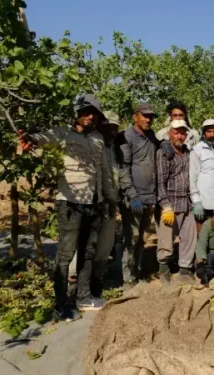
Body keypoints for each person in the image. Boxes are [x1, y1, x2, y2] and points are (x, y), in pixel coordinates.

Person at [18, 94, 115, 320]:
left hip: (95, 203)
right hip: (70, 203)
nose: (90, 117)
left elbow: (104, 172)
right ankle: (61, 304)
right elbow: (44, 138)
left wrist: (109, 199)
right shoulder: (64, 133)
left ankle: (83, 297)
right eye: (87, 112)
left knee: (88, 252)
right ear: (77, 112)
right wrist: (30, 139)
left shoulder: (98, 138)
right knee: (65, 254)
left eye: (95, 114)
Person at [68, 111, 122, 295]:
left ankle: (95, 281)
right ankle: (74, 284)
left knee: (105, 246)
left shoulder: (114, 149)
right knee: (85, 245)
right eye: (108, 128)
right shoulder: (90, 145)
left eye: (115, 128)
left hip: (109, 205)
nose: (112, 132)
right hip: (91, 203)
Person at [117, 102, 169, 282]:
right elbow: (123, 169)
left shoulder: (150, 135)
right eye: (144, 115)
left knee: (143, 238)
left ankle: (137, 272)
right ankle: (127, 278)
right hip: (134, 198)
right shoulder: (126, 137)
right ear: (135, 116)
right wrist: (132, 195)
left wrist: (163, 144)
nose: (148, 119)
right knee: (131, 239)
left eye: (151, 116)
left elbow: (155, 147)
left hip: (149, 197)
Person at [156, 119, 197, 281]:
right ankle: (164, 269)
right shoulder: (164, 153)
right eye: (176, 132)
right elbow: (160, 181)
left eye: (182, 132)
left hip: (187, 202)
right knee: (166, 239)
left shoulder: (188, 152)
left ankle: (185, 269)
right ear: (169, 134)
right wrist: (165, 205)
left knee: (189, 236)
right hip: (170, 203)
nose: (179, 135)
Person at [190, 119, 214, 232]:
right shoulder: (197, 150)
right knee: (202, 236)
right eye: (209, 131)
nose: (212, 134)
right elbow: (193, 177)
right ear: (204, 133)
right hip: (204, 203)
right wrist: (196, 201)